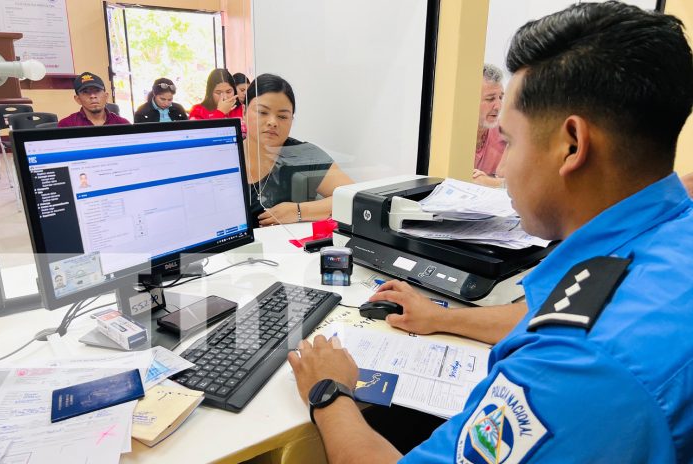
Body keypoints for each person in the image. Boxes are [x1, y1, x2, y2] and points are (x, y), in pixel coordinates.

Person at [288, 2, 693, 462]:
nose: (503, 166)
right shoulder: (674, 233)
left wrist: (328, 392)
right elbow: (555, 310)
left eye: (511, 140)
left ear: (572, 145)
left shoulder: (575, 371)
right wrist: (442, 317)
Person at [243, 73, 353, 227]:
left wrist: (298, 211)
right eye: (262, 112)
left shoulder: (303, 154)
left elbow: (354, 197)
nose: (272, 122)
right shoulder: (225, 155)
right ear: (244, 112)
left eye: (282, 116)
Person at [472, 64, 507, 188]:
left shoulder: (506, 133)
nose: (498, 106)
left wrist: (485, 181)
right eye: (490, 99)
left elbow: (522, 184)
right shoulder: (451, 136)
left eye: (501, 98)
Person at [58, 72, 130, 127]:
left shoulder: (122, 123)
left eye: (97, 91)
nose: (93, 96)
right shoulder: (66, 125)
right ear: (78, 99)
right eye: (85, 92)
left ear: (106, 96)